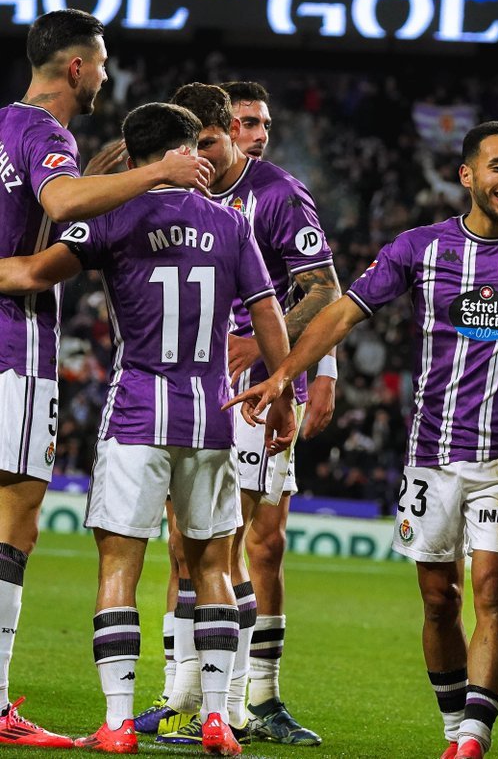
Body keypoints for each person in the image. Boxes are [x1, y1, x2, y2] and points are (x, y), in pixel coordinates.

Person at [225, 121, 498, 759]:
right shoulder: (419, 249)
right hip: (430, 456)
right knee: (440, 601)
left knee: (491, 594)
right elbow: (341, 313)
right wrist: (285, 374)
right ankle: (456, 725)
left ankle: (473, 741)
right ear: (467, 176)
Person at [0, 101, 297, 755]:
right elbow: (268, 310)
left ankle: (115, 723)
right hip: (211, 417)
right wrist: (281, 393)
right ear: (192, 150)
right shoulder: (232, 224)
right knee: (212, 566)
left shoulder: (112, 219)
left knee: (119, 567)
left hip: (137, 411)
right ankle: (218, 717)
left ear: (133, 159)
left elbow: (27, 272)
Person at [0, 9, 211, 748]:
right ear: (78, 67)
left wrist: (96, 184)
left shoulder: (3, 125)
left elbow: (45, 207)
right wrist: (155, 172)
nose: (109, 75)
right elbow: (57, 209)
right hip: (14, 341)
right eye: (104, 61)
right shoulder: (46, 133)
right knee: (15, 518)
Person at [141, 83, 337, 747]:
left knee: (254, 544)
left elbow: (325, 289)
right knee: (184, 547)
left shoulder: (277, 193)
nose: (198, 153)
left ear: (222, 132)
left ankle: (256, 698)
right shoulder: (173, 190)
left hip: (259, 389)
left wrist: (272, 350)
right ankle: (181, 697)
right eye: (189, 143)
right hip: (185, 385)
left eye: (208, 141)